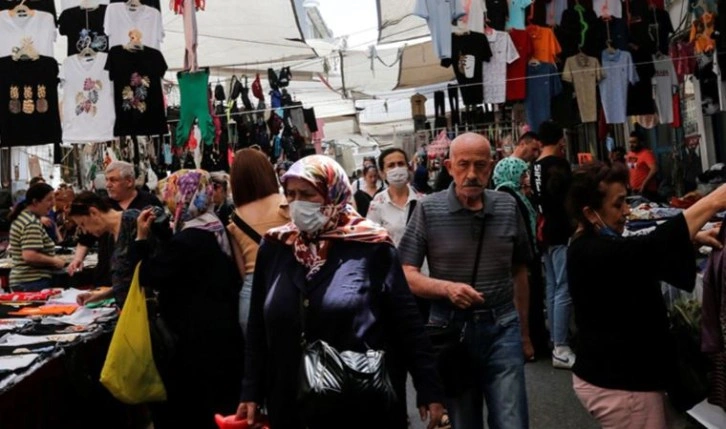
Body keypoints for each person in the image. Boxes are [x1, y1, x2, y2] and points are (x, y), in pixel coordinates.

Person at [236, 155, 445, 429]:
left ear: (332, 193)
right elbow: (257, 329)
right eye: (290, 194)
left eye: (307, 194)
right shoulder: (275, 247)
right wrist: (250, 391)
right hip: (292, 401)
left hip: (359, 400)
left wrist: (428, 387)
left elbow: (406, 323)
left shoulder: (372, 246)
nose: (297, 202)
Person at [566, 161, 726, 428]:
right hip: (622, 384)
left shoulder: (593, 243)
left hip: (622, 378)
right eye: (618, 204)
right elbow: (646, 251)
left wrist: (693, 238)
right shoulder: (590, 251)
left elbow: (637, 251)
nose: (627, 211)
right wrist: (713, 202)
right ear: (591, 213)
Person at [399, 133, 532, 429]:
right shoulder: (428, 209)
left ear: (491, 166)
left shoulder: (507, 207)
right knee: (464, 421)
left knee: (512, 421)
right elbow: (405, 273)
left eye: (480, 165)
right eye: (463, 165)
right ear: (449, 167)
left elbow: (519, 272)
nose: (472, 174)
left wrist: (524, 333)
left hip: (502, 327)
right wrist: (445, 289)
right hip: (450, 330)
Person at [132, 169, 244, 429]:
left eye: (170, 197)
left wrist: (140, 239)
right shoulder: (212, 225)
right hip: (221, 332)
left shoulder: (189, 239)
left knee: (197, 408)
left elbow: (149, 275)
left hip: (197, 339)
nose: (167, 203)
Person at [67, 161, 162, 286]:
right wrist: (78, 259)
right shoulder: (103, 204)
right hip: (107, 275)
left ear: (129, 181)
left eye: (113, 180)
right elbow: (86, 239)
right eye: (106, 180)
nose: (108, 185)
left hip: (136, 280)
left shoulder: (148, 202)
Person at [227, 148, 289, 335]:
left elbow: (242, 269)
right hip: (286, 282)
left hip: (252, 293)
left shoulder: (235, 219)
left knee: (258, 355)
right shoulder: (285, 204)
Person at [493, 156, 548, 360]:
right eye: (522, 174)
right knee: (525, 300)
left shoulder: (516, 194)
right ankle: (529, 341)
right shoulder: (508, 196)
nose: (526, 178)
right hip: (519, 259)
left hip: (525, 257)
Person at [68, 192, 163, 308]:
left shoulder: (133, 221)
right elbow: (126, 280)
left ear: (93, 212)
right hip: (129, 308)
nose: (85, 231)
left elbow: (146, 272)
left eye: (83, 224)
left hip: (145, 309)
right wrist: (100, 296)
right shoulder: (110, 236)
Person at [531, 120, 575, 369]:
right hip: (560, 231)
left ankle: (554, 337)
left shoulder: (535, 165)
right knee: (564, 287)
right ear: (560, 139)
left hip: (544, 230)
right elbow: (566, 200)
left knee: (552, 285)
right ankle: (561, 345)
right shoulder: (558, 165)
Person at [8, 183, 66, 291]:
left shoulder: (24, 217)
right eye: (49, 199)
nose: (52, 203)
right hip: (32, 282)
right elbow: (29, 255)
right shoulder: (31, 223)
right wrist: (54, 261)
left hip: (26, 281)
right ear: (35, 202)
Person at [367, 148, 420, 245]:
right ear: (382, 173)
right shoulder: (377, 204)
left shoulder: (421, 200)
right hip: (392, 259)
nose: (397, 169)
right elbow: (372, 238)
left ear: (408, 168)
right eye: (391, 165)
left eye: (400, 164)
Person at [625, 130, 659, 200]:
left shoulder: (646, 154)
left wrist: (644, 184)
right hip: (634, 190)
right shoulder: (630, 154)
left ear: (640, 142)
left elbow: (654, 169)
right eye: (630, 142)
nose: (631, 145)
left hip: (647, 191)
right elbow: (630, 169)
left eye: (634, 142)